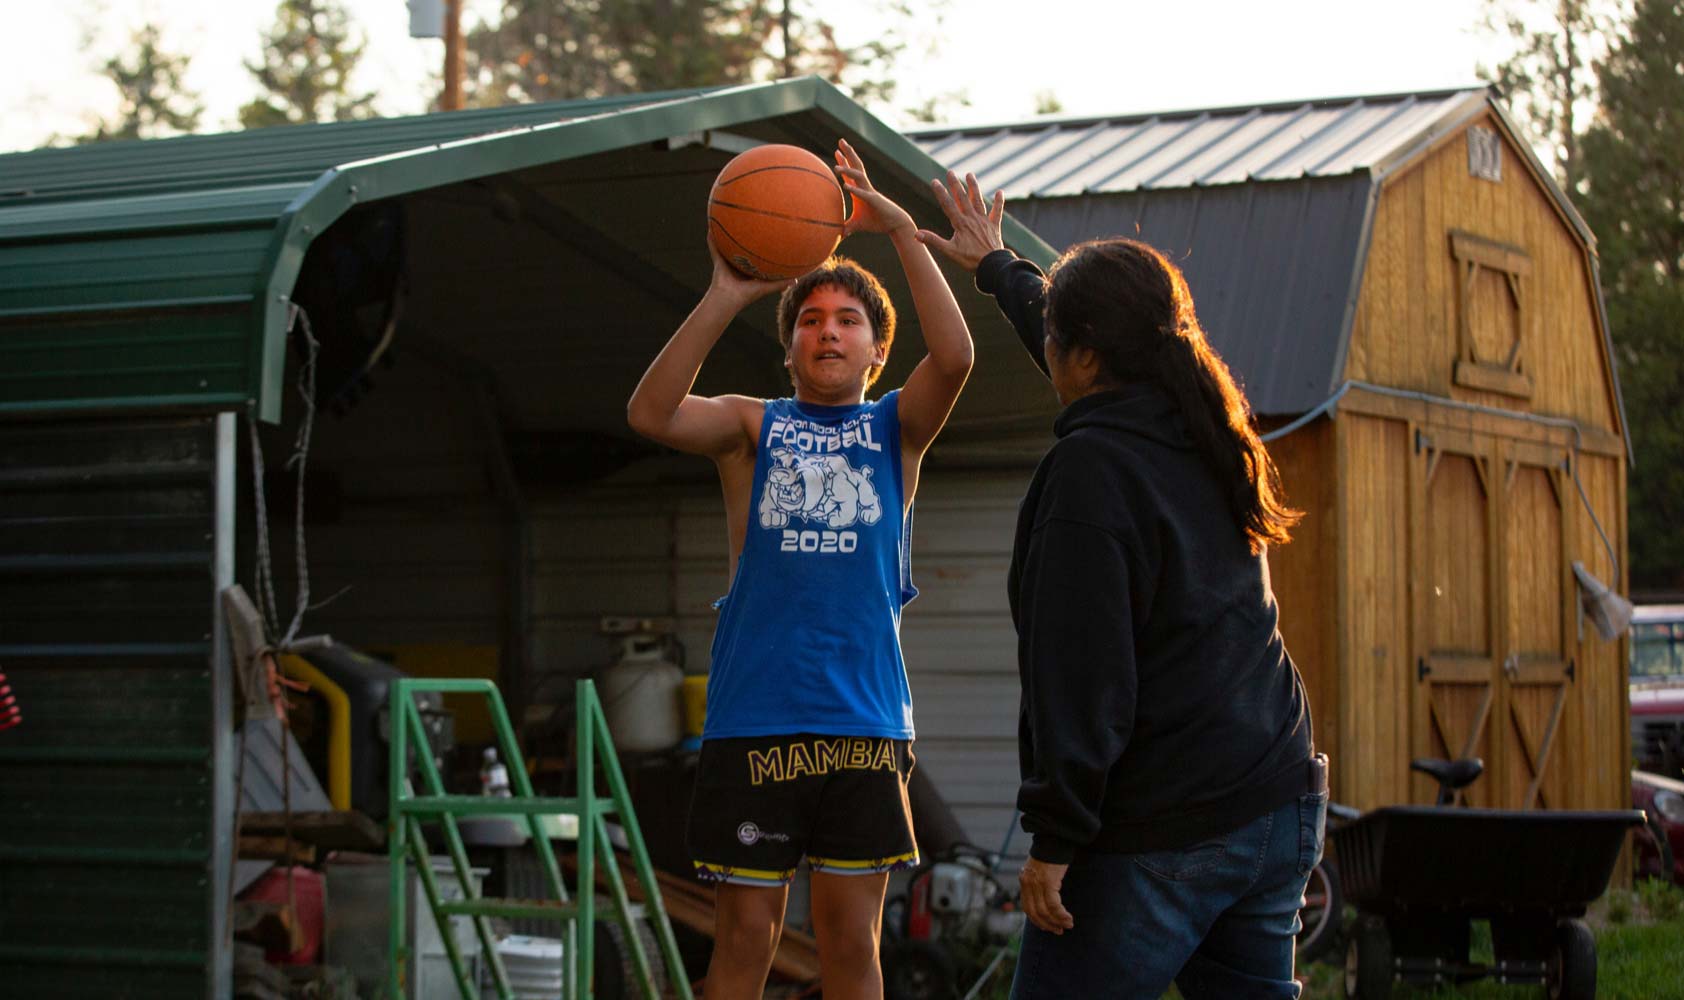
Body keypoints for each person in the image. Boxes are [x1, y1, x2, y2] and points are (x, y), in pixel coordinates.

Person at [917, 173, 1326, 999]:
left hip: (1169, 824)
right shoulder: (1200, 424)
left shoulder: (1089, 474)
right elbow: (1073, 341)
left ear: (1088, 355)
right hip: (1275, 793)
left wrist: (1056, 842)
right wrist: (998, 267)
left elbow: (1086, 675)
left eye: (1064, 340)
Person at [626, 140, 973, 1000]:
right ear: (788, 350)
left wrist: (899, 229)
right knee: (746, 937)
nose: (828, 329)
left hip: (863, 723)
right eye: (810, 319)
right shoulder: (753, 428)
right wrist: (724, 293)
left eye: (847, 321)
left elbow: (958, 357)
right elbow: (651, 411)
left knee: (851, 944)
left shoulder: (897, 431)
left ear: (874, 352)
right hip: (755, 720)